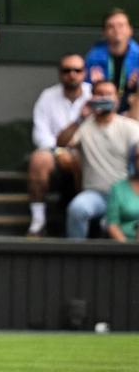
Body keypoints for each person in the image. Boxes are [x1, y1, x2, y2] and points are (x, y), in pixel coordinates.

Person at [62, 80, 139, 238]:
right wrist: (79, 117)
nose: (104, 98)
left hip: (124, 195)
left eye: (108, 94)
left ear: (117, 99)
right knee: (77, 209)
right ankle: (75, 258)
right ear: (91, 98)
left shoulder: (129, 126)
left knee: (115, 226)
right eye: (99, 94)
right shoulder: (84, 126)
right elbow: (62, 143)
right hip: (96, 195)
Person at [25, 54, 90, 237]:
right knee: (38, 160)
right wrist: (59, 151)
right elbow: (40, 134)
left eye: (77, 70)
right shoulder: (47, 97)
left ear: (84, 72)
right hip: (54, 153)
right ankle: (38, 222)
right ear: (60, 74)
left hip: (85, 154)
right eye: (67, 70)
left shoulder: (92, 95)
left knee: (84, 162)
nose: (72, 74)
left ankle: (84, 221)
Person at [85, 8, 139, 113]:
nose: (116, 30)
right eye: (111, 26)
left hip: (132, 108)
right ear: (104, 32)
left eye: (121, 25)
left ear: (130, 30)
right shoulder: (93, 57)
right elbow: (84, 89)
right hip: (101, 106)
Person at [104, 147, 139, 241]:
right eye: (138, 157)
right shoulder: (118, 188)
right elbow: (112, 225)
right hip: (126, 247)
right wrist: (128, 250)